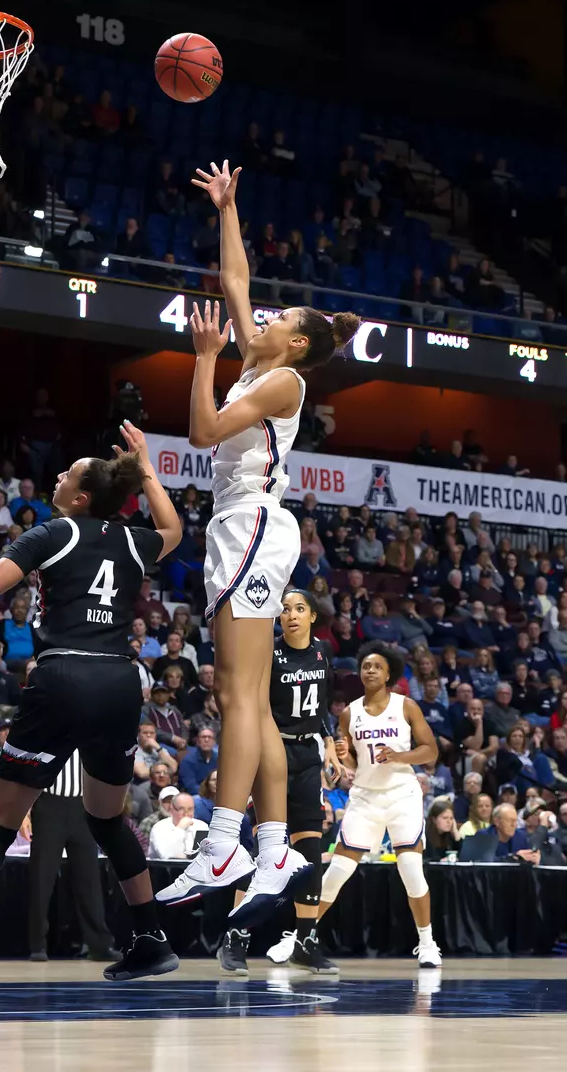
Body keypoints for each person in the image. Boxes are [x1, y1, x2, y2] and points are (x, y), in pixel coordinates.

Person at [0, 421, 182, 994]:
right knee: (107, 818)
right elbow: (171, 528)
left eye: (69, 474)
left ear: (82, 497)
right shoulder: (132, 540)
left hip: (63, 675)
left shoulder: (52, 533)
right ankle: (152, 939)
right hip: (120, 682)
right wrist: (146, 466)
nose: (59, 476)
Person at [160, 169, 360, 919]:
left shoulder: (284, 385)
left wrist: (202, 357)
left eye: (280, 318)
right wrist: (229, 208)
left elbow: (202, 432)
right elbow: (237, 281)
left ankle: (223, 846)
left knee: (239, 693)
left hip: (251, 523)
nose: (264, 318)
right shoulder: (259, 360)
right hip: (236, 526)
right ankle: (273, 846)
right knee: (238, 697)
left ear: (297, 341)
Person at [219, 588, 345, 975]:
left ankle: (305, 941)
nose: (291, 615)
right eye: (285, 609)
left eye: (299, 608)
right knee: (266, 853)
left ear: (312, 617)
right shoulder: (268, 653)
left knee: (310, 855)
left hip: (307, 757)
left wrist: (329, 742)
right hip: (271, 753)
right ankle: (235, 937)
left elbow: (321, 706)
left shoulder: (323, 653)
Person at [316, 642, 442, 967]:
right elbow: (351, 762)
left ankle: (427, 943)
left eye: (377, 666)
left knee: (411, 869)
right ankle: (300, 936)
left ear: (388, 675)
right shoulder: (349, 713)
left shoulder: (406, 706)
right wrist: (343, 755)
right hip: (365, 796)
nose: (370, 670)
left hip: (402, 794)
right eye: (366, 666)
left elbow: (430, 750)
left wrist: (399, 755)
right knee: (337, 871)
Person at [28, 750, 119, 963]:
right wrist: (24, 810)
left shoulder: (91, 736)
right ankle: (37, 944)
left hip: (83, 806)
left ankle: (100, 945)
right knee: (42, 878)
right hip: (49, 804)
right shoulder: (45, 734)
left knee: (89, 880)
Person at [148, 791, 207, 859]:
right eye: (181, 809)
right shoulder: (159, 828)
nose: (186, 814)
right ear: (172, 809)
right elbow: (167, 855)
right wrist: (180, 828)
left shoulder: (202, 826)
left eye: (190, 809)